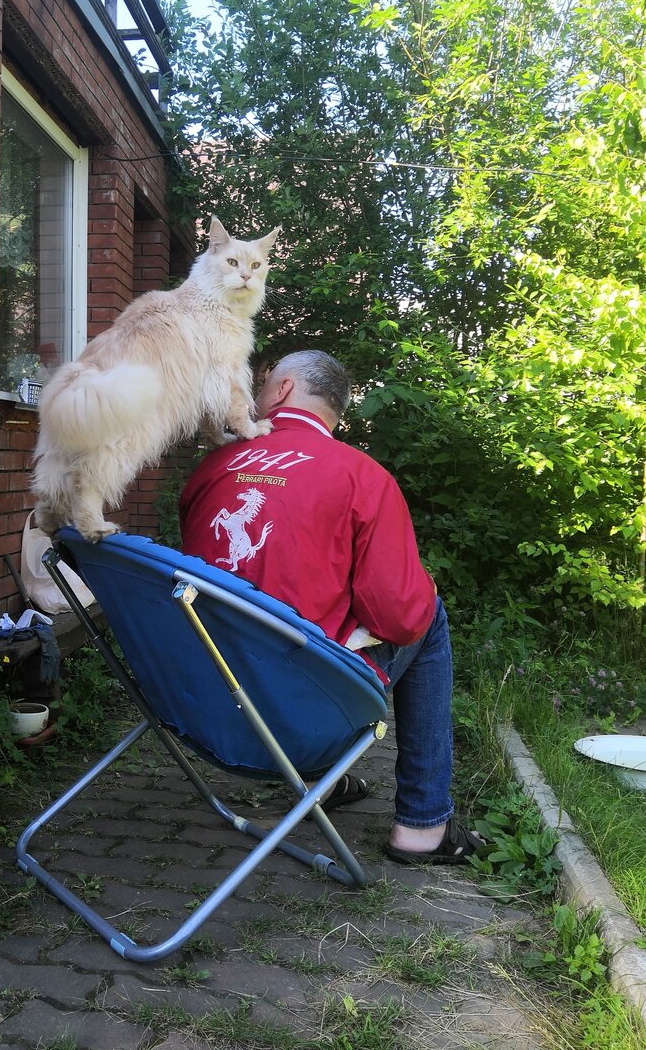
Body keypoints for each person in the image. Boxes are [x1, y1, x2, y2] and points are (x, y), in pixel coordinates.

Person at [178, 349, 482, 865]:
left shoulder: (214, 467)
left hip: (196, 702)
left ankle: (325, 781)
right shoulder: (361, 477)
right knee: (428, 615)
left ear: (284, 390)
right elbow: (399, 619)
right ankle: (422, 825)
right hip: (296, 719)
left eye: (265, 380)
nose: (256, 392)